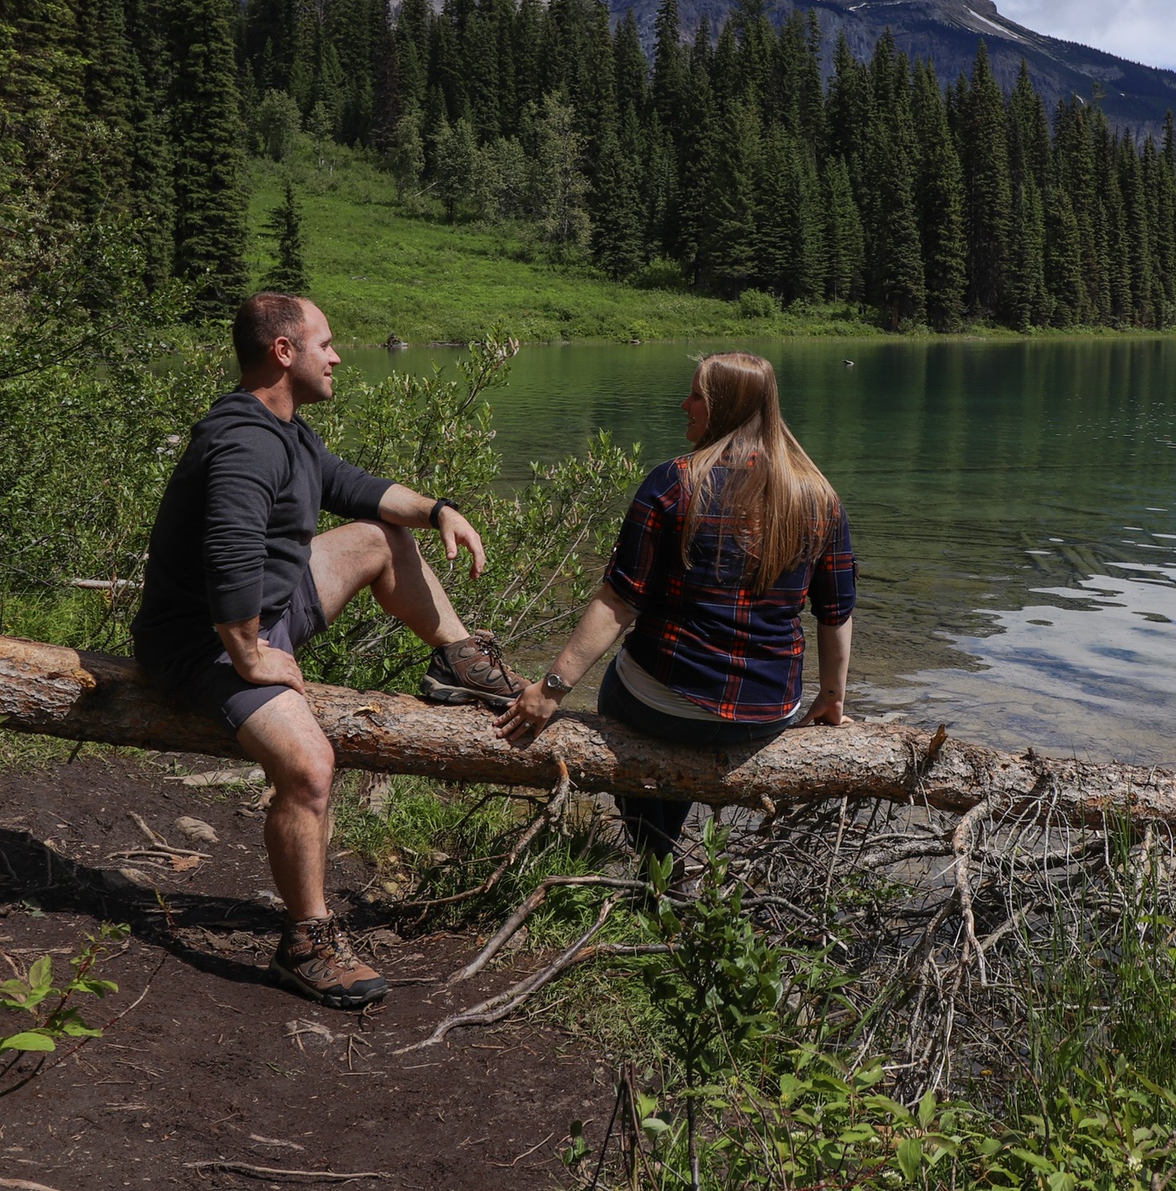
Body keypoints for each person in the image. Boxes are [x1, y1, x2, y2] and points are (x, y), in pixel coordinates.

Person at [132, 292, 528, 1011]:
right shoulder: (244, 440)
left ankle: (458, 659)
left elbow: (355, 487)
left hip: (265, 612)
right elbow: (228, 553)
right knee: (311, 767)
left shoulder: (287, 430)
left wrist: (440, 510)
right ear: (284, 352)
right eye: (327, 344)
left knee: (379, 537)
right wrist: (250, 656)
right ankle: (306, 941)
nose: (339, 356)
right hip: (204, 644)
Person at [496, 352, 855, 857]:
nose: (683, 404)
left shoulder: (674, 483)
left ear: (725, 407)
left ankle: (654, 860)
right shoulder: (819, 496)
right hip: (768, 713)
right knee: (680, 701)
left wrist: (550, 689)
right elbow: (836, 613)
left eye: (697, 397)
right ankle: (665, 864)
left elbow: (619, 602)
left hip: (661, 707)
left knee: (626, 682)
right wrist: (833, 697)